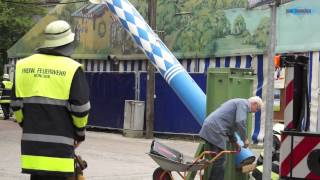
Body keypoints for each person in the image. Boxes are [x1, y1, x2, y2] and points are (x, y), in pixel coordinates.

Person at [10, 20, 90, 180]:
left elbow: (16, 106)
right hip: (60, 153)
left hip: (32, 150)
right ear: (68, 43)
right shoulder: (72, 68)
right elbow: (80, 110)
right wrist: (80, 134)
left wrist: (26, 125)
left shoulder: (22, 66)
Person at [199, 96, 263, 180]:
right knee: (220, 160)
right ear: (254, 103)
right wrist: (245, 139)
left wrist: (235, 142)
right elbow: (240, 122)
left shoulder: (239, 103)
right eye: (257, 108)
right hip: (215, 130)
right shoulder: (243, 104)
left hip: (212, 128)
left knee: (218, 159)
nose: (256, 111)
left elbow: (231, 128)